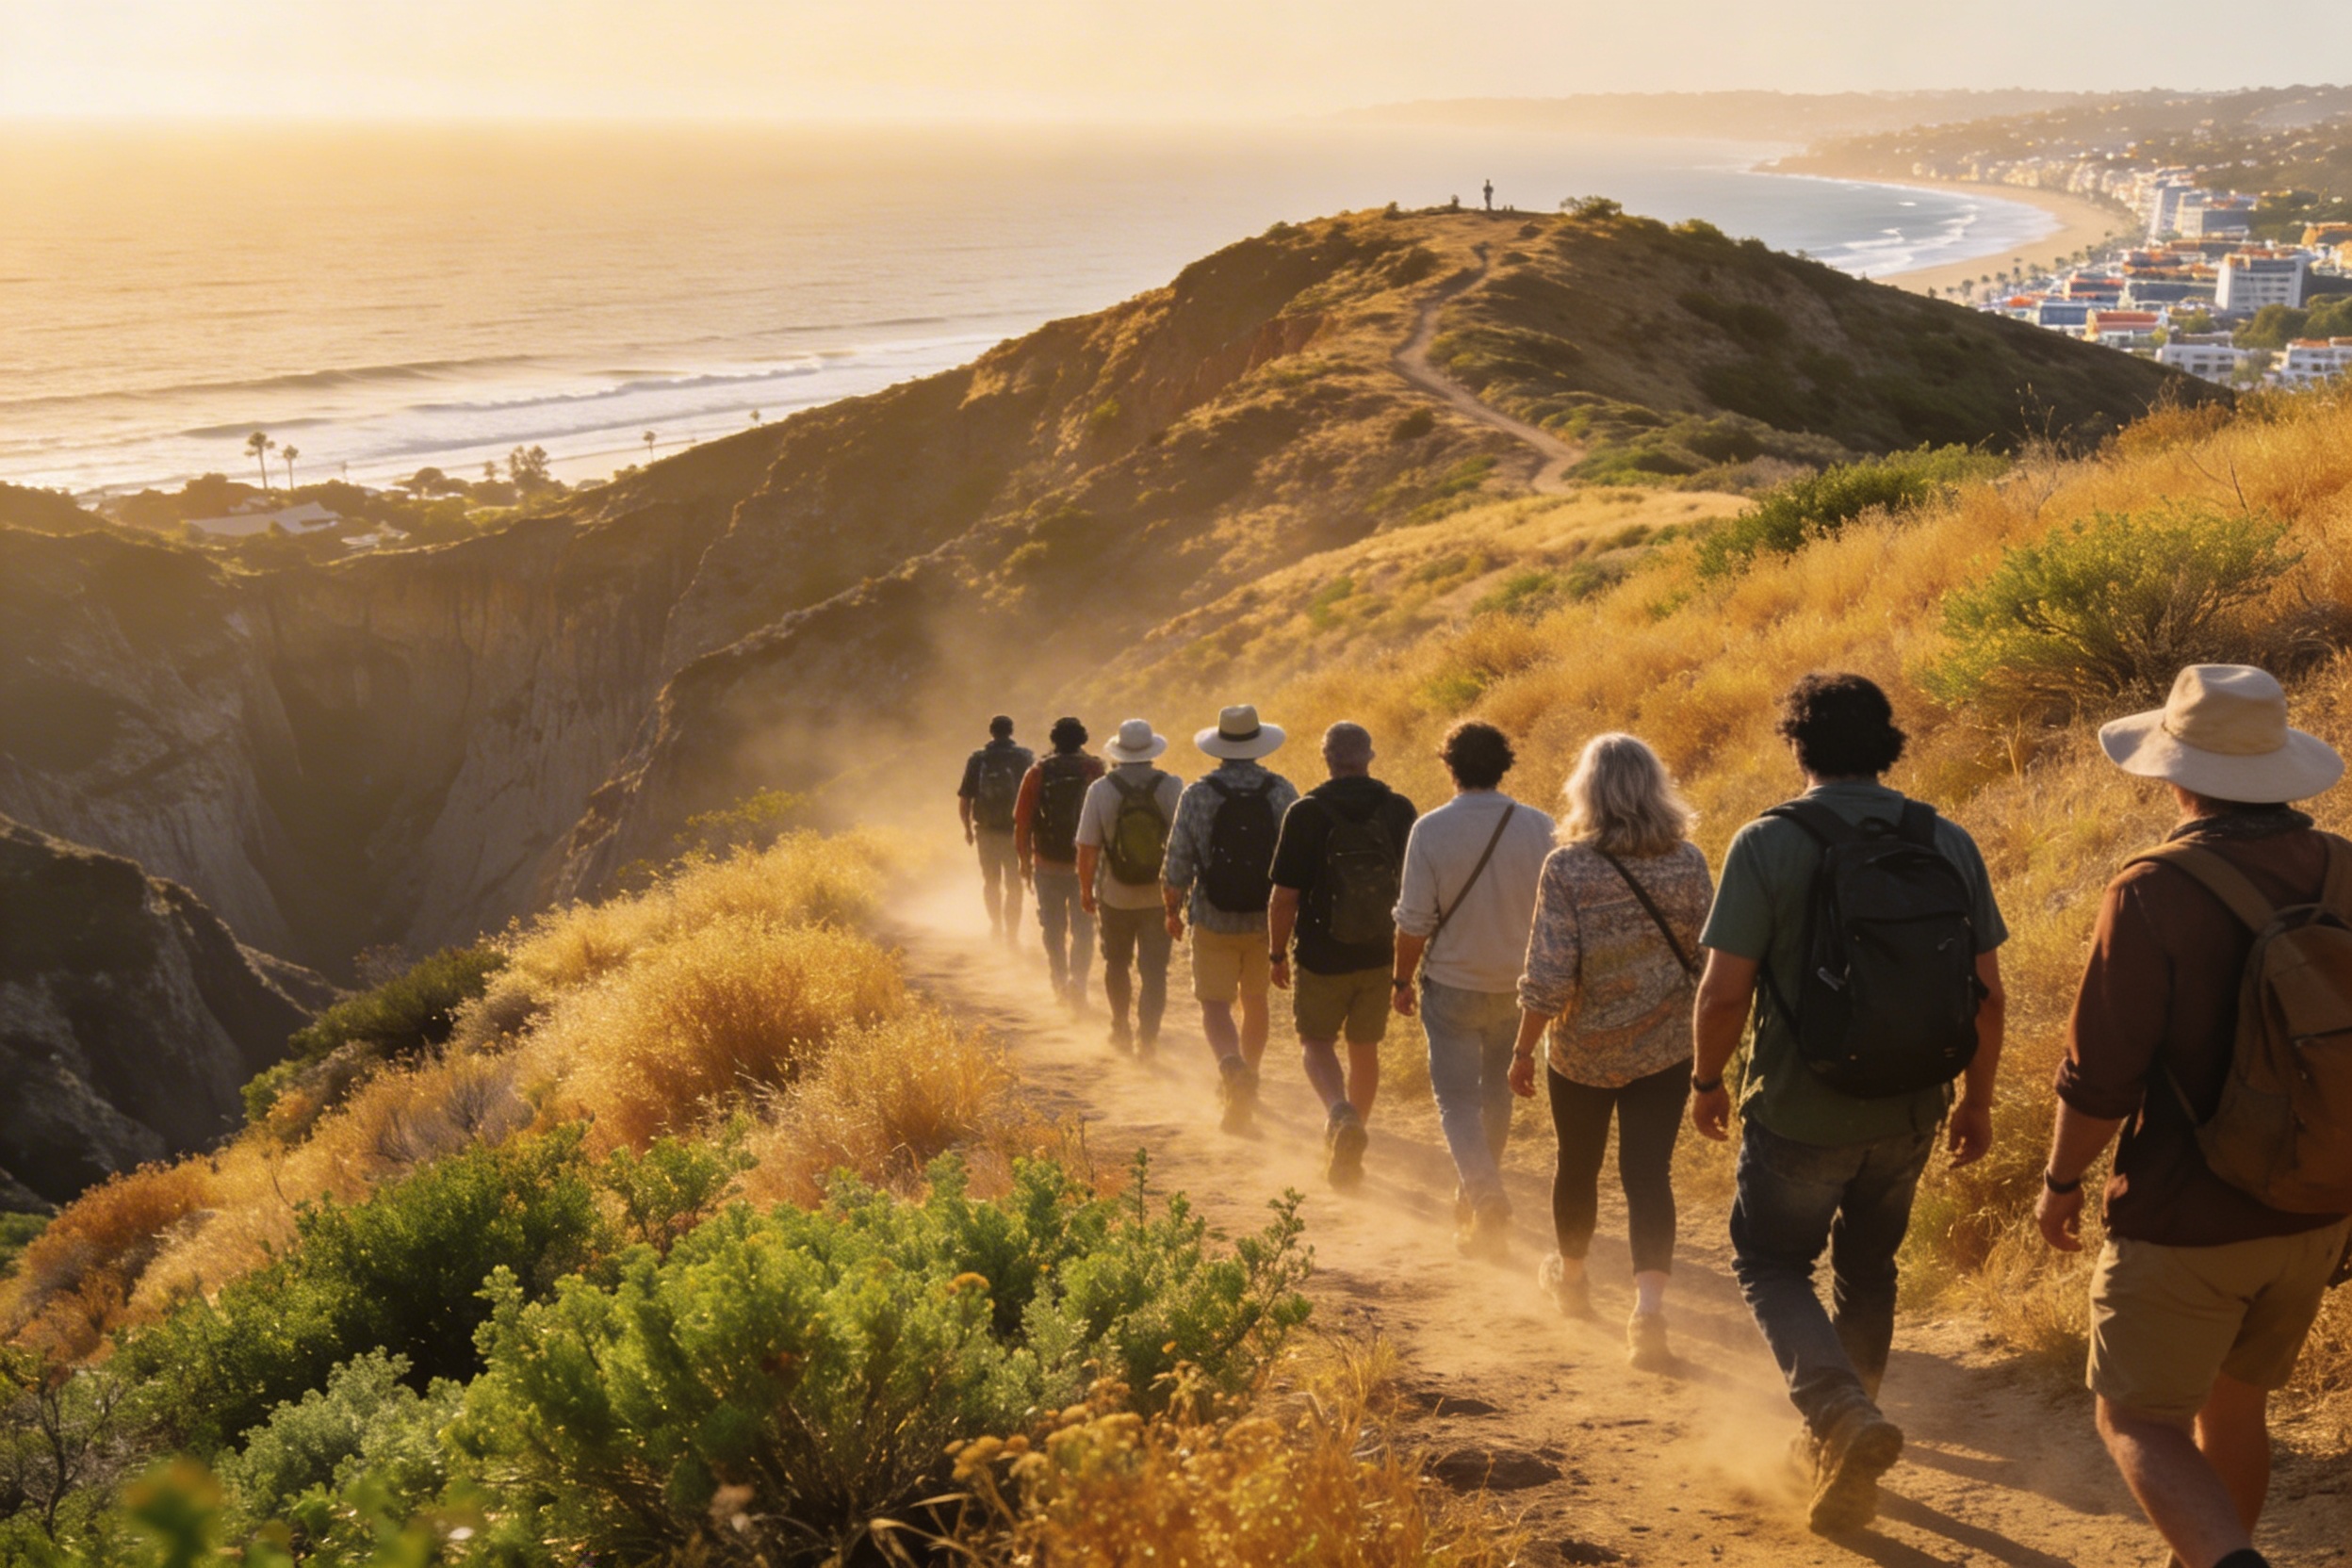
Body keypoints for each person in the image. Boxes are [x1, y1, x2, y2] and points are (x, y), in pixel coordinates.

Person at [2036, 665, 2352, 1568]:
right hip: (2319, 1207)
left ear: (2174, 772)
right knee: (2236, 1405)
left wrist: (2061, 1184)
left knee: (2137, 1416)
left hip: (2187, 1213)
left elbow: (2101, 1078)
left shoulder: (2150, 889)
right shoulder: (2343, 866)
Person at [1689, 672, 2007, 1535]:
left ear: (1797, 746)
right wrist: (1975, 1103)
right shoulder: (1946, 838)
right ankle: (1847, 1436)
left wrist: (1706, 1081)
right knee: (1869, 1270)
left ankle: (1841, 1419)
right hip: (1912, 1108)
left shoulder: (1767, 843)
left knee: (1771, 1263)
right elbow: (1987, 997)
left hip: (1801, 1107)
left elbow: (1723, 996)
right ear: (1888, 744)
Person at [1510, 734, 1712, 1372]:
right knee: (1648, 1175)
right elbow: (1711, 961)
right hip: (1669, 1047)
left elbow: (1549, 972)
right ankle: (1648, 1313)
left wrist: (1522, 1049)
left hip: (1582, 1050)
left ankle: (1572, 1280)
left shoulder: (1569, 867)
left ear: (1587, 791)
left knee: (1578, 1165)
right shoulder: (1689, 862)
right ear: (1656, 786)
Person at [1394, 720, 1555, 1259]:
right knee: (1495, 1094)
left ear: (1449, 766)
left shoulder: (1431, 830)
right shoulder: (1541, 827)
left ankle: (1484, 1195)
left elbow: (1414, 920)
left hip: (1454, 984)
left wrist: (1400, 980)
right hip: (1520, 988)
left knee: (1457, 1101)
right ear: (1505, 765)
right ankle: (1478, 1199)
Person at [1268, 722, 1418, 1186]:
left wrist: (1276, 954)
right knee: (1364, 1048)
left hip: (1320, 952)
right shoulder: (1398, 810)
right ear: (1370, 757)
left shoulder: (1305, 812)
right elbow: (1415, 890)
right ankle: (1357, 1133)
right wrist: (1408, 968)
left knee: (1315, 1042)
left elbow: (1284, 897)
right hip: (1380, 952)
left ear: (1326, 757)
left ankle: (1339, 1114)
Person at [1163, 705, 1299, 1131]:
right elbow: (1296, 857)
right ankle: (1250, 1072)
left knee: (1216, 1004)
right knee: (1255, 1000)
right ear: (1259, 743)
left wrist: (1172, 908)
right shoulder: (1281, 791)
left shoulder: (1198, 794)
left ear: (1219, 746)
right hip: (1265, 918)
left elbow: (1178, 858)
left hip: (1213, 914)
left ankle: (1230, 1066)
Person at [1077, 718, 1184, 1056]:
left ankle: (1120, 1027)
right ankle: (1148, 1039)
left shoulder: (1101, 789)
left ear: (1119, 752)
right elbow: (1184, 843)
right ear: (1152, 750)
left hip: (1115, 895)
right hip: (1159, 896)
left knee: (1116, 965)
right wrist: (1179, 894)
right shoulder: (1171, 786)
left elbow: (1087, 847)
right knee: (1154, 972)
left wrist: (1086, 891)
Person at [1014, 716, 1104, 1007]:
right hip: (1086, 866)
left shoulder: (1038, 771)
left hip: (1047, 864)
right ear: (1083, 739)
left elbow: (1022, 822)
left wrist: (1024, 862)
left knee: (1052, 928)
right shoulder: (1096, 769)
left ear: (1054, 740)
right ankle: (1078, 981)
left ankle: (1059, 981)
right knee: (1083, 929)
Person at [958, 715, 1033, 945]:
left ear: (991, 732)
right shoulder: (1024, 757)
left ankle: (996, 926)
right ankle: (1012, 932)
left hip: (986, 831)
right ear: (1011, 731)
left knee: (991, 882)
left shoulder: (978, 759)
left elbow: (965, 798)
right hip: (1015, 831)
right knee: (1014, 884)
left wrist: (968, 829)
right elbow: (1034, 796)